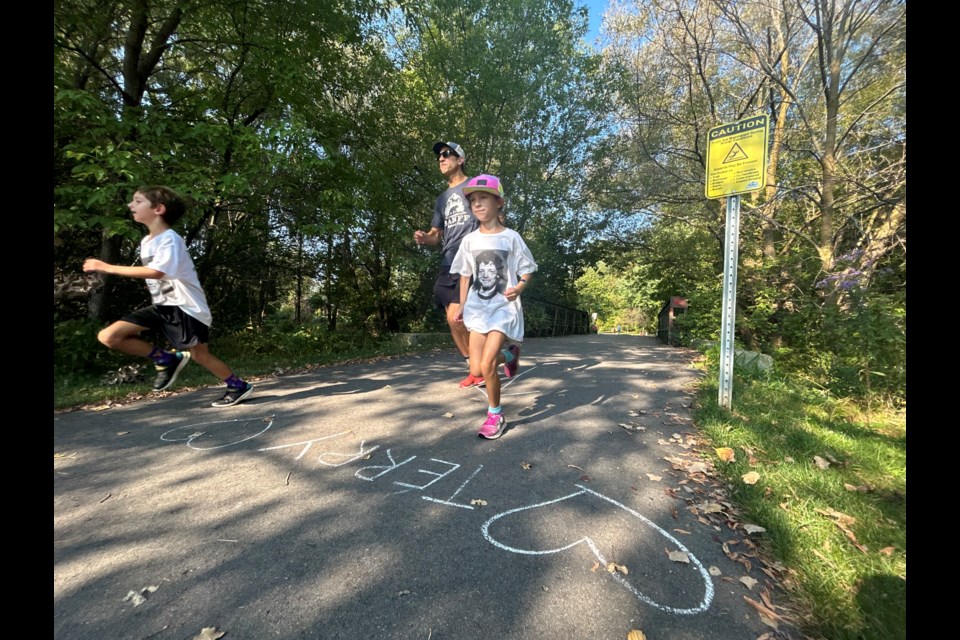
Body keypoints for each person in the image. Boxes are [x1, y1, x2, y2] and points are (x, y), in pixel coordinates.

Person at [83, 185, 254, 408]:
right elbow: (157, 276)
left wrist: (108, 267)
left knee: (200, 355)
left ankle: (238, 385)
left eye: (137, 201)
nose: (130, 205)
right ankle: (164, 358)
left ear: (158, 209)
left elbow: (157, 272)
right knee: (109, 336)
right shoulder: (146, 242)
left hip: (185, 307)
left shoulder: (170, 239)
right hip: (163, 306)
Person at [451, 175, 537, 439]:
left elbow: (527, 270)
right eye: (473, 200)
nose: (477, 204)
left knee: (488, 364)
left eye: (483, 198)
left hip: (503, 306)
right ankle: (510, 356)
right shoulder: (469, 241)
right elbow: (465, 274)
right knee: (477, 370)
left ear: (498, 203)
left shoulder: (511, 238)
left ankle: (495, 414)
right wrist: (462, 305)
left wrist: (519, 288)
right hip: (478, 308)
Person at [413, 141, 480, 388]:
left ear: (460, 159)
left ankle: (484, 364)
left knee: (458, 318)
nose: (441, 159)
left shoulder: (474, 186)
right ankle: (476, 366)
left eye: (446, 154)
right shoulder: (441, 199)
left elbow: (494, 214)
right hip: (448, 260)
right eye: (438, 156)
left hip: (472, 259)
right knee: (452, 319)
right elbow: (435, 235)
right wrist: (424, 238)